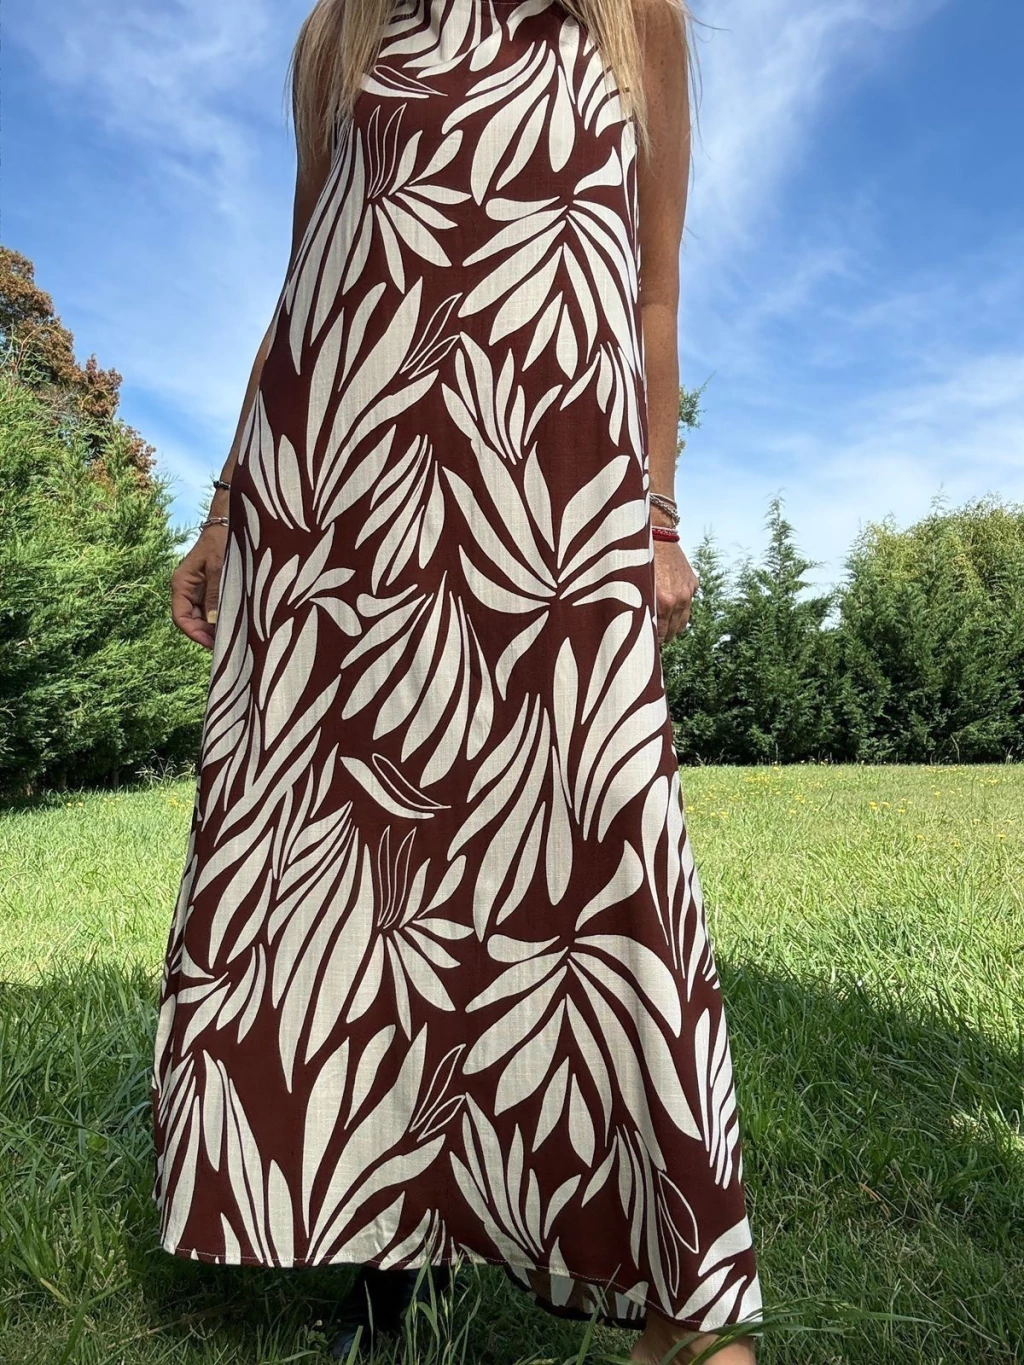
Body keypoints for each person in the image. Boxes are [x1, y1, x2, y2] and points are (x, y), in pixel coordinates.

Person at [156, 0, 761, 1361]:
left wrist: (659, 511)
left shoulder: (635, 24)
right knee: (360, 862)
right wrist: (226, 508)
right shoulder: (343, 31)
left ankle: (682, 1293)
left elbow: (654, 293)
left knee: (597, 830)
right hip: (343, 497)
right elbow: (307, 285)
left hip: (549, 492)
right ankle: (389, 1259)